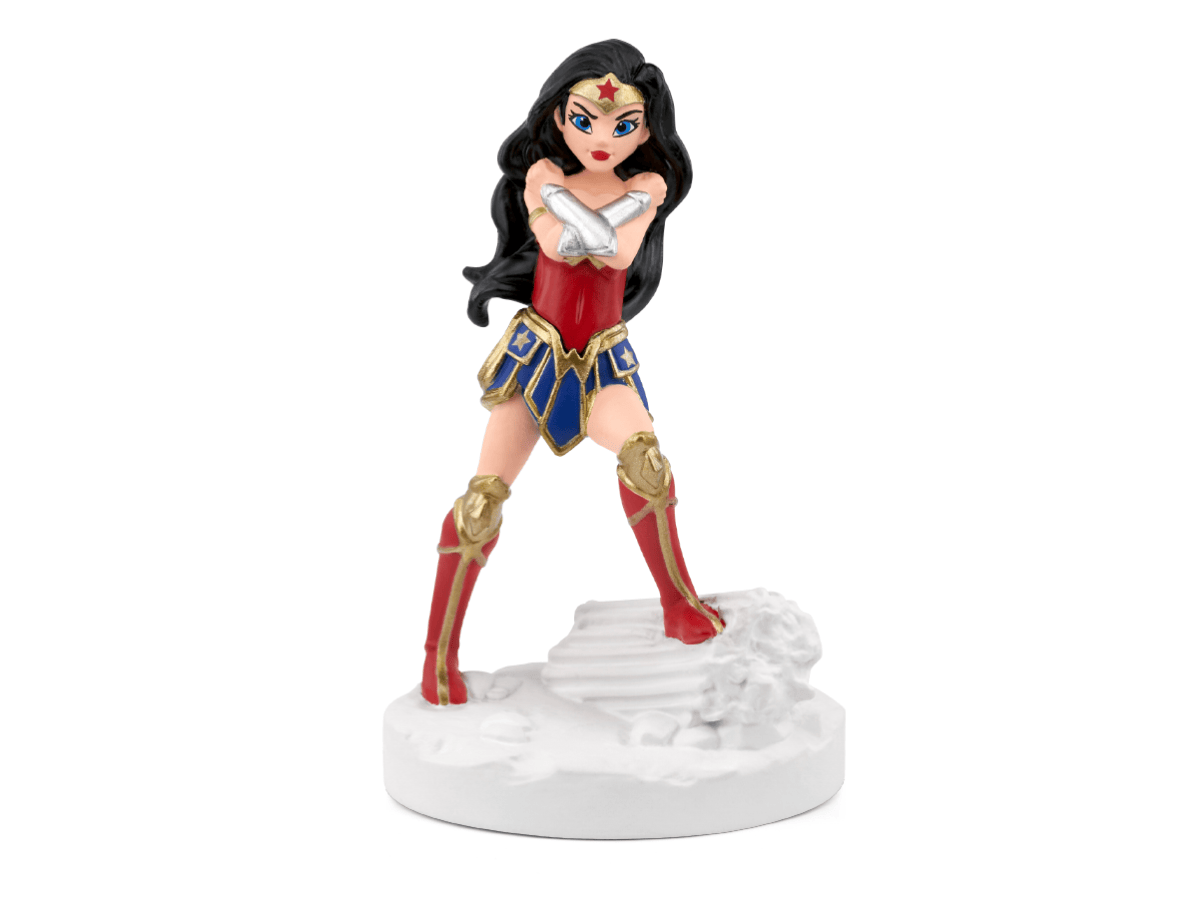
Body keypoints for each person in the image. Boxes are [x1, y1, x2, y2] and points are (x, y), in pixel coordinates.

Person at [421, 40, 723, 707]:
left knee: (646, 462)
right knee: (482, 501)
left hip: (603, 363)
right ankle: (437, 655)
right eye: (585, 120)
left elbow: (613, 254)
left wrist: (572, 204)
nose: (602, 138)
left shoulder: (637, 184)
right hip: (536, 357)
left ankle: (679, 604)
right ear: (559, 117)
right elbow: (560, 244)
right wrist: (600, 210)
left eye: (624, 125)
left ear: (645, 130)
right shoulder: (551, 178)